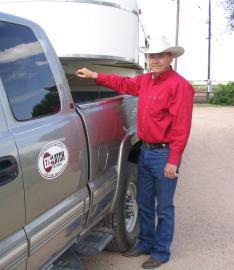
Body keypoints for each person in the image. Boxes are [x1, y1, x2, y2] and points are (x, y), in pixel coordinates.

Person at [76, 36, 194, 269]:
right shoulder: (147, 80)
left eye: (160, 56)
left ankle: (161, 252)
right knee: (143, 201)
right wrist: (95, 76)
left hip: (163, 154)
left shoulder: (180, 86)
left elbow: (182, 128)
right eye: (152, 56)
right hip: (146, 152)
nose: (155, 60)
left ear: (171, 57)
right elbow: (123, 84)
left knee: (164, 207)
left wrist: (173, 161)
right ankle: (145, 243)